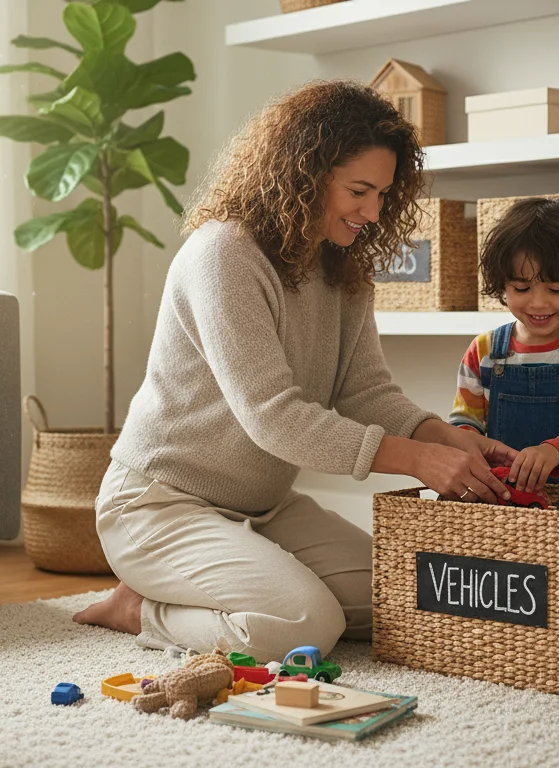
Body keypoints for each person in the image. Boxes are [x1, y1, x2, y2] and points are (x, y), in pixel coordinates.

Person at [72, 80, 516, 662]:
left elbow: (366, 392)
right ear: (304, 173)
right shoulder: (223, 254)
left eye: (384, 194)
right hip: (158, 503)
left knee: (402, 601)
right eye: (359, 191)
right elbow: (272, 418)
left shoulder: (342, 269)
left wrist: (446, 439)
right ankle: (140, 608)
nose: (373, 212)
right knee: (304, 622)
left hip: (266, 507)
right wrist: (418, 461)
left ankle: (215, 583)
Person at [448, 197, 559, 495]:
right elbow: (462, 425)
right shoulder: (484, 351)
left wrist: (554, 452)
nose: (538, 303)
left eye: (556, 289)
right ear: (502, 283)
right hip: (502, 502)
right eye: (521, 288)